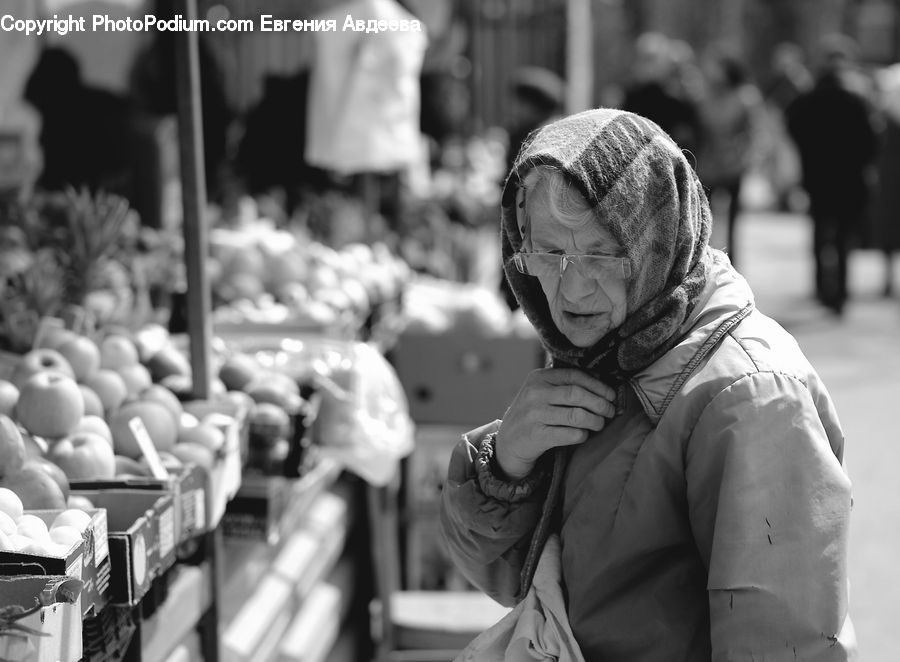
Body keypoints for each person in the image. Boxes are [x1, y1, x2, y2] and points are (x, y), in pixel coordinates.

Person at [440, 108, 855, 660]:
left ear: (654, 241)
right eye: (547, 251)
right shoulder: (611, 347)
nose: (571, 288)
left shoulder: (751, 398)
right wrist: (507, 464)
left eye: (601, 253)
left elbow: (783, 643)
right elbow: (522, 580)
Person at [786, 34, 878, 315]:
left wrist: (808, 155)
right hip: (849, 176)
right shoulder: (857, 101)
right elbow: (872, 139)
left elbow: (793, 126)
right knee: (844, 234)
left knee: (819, 229)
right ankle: (840, 291)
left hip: (817, 175)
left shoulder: (807, 100)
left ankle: (820, 287)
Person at [694, 47, 765, 268]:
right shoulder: (704, 94)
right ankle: (707, 260)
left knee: (734, 218)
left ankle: (732, 261)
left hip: (734, 162)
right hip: (710, 163)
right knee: (707, 216)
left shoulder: (745, 96)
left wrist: (748, 154)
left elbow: (755, 130)